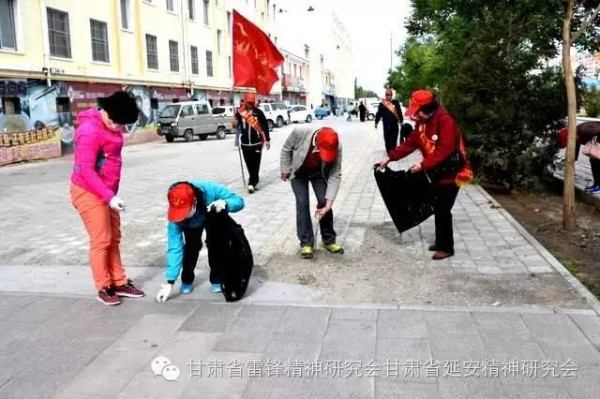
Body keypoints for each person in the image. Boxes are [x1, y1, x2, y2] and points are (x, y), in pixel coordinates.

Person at [376, 90, 472, 261]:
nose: (416, 115)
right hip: (436, 172)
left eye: (418, 111)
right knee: (437, 205)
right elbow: (411, 142)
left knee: (442, 208)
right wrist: (389, 157)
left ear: (428, 108)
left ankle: (446, 247)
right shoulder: (422, 122)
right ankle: (441, 241)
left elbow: (445, 150)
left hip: (453, 173)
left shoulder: (445, 121)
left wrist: (422, 165)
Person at [70, 91, 145, 306]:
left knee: (114, 237)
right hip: (87, 190)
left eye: (123, 125)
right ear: (108, 114)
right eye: (118, 124)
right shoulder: (89, 131)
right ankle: (104, 286)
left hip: (106, 192)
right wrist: (108, 196)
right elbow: (85, 170)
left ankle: (119, 281)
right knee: (101, 240)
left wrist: (110, 196)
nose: (120, 129)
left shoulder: (111, 124)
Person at [155, 181, 245, 302]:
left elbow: (239, 201)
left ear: (194, 203)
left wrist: (225, 203)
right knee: (192, 247)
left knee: (215, 245)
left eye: (185, 213)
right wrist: (170, 283)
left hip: (212, 215)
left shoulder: (210, 190)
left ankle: (217, 278)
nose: (182, 216)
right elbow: (174, 248)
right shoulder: (176, 218)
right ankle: (186, 279)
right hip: (191, 226)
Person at [280, 126, 345, 259]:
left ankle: (328, 240)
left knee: (323, 201)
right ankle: (306, 242)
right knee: (302, 203)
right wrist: (285, 168)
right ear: (316, 142)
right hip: (298, 173)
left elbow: (335, 174)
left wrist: (328, 204)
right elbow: (286, 149)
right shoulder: (299, 132)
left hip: (318, 174)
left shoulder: (336, 145)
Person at [236, 93, 270, 193]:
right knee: (249, 164)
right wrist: (234, 123)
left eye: (251, 103)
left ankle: (252, 182)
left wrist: (267, 140)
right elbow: (236, 124)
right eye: (248, 103)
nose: (250, 105)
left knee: (256, 164)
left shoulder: (258, 113)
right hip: (245, 144)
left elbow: (265, 126)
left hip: (257, 143)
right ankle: (253, 180)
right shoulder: (240, 112)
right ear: (245, 102)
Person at [375, 89, 403, 153]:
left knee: (394, 138)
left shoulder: (395, 102)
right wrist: (376, 122)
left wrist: (401, 121)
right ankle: (388, 151)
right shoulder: (382, 104)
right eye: (386, 95)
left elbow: (399, 112)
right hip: (386, 124)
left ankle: (393, 151)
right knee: (387, 138)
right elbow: (378, 113)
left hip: (394, 124)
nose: (387, 96)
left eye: (389, 95)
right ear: (385, 95)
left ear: (391, 95)